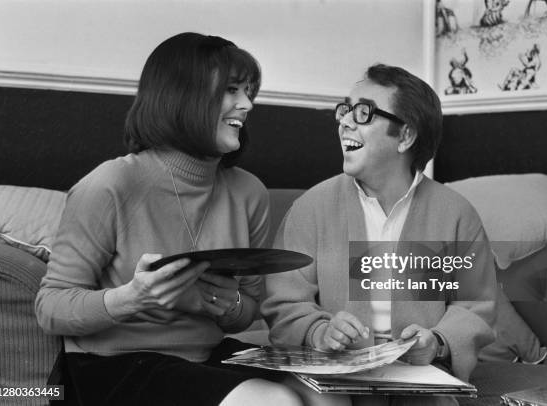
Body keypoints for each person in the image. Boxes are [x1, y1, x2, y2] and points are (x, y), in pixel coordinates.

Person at [35, 32, 302, 406]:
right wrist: (133, 298)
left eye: (248, 92)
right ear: (184, 95)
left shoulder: (248, 192)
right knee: (274, 402)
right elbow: (51, 308)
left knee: (326, 396)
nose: (247, 104)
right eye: (231, 90)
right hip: (112, 366)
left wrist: (227, 306)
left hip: (205, 355)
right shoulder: (110, 185)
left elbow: (249, 309)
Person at [262, 65, 497, 405]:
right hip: (335, 376)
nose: (344, 121)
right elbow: (284, 303)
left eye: (363, 112)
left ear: (405, 137)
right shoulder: (310, 208)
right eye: (345, 109)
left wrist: (438, 340)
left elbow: (476, 306)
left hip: (421, 379)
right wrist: (319, 331)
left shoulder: (456, 214)